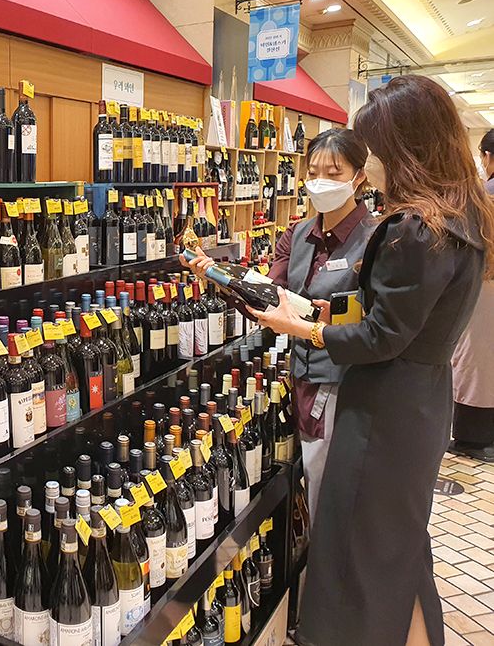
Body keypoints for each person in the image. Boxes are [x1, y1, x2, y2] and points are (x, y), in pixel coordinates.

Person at [184, 75, 494, 646]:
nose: (368, 163)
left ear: (402, 146)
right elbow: (402, 318)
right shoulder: (462, 218)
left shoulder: (411, 229)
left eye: (371, 149)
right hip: (422, 402)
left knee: (356, 551)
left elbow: (382, 336)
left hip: (383, 407)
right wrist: (324, 311)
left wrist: (303, 327)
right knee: (398, 549)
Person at [265, 129, 374, 520]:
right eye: (313, 173)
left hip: (345, 383)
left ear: (359, 177)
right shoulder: (298, 234)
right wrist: (220, 277)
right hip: (301, 375)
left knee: (333, 491)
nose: (321, 182)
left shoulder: (375, 240)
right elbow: (271, 294)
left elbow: (378, 322)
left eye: (334, 172)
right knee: (312, 479)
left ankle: (328, 555)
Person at [449, 128, 494, 461]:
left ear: (488, 157)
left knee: (475, 357)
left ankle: (472, 437)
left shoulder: (483, 197)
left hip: (485, 282)